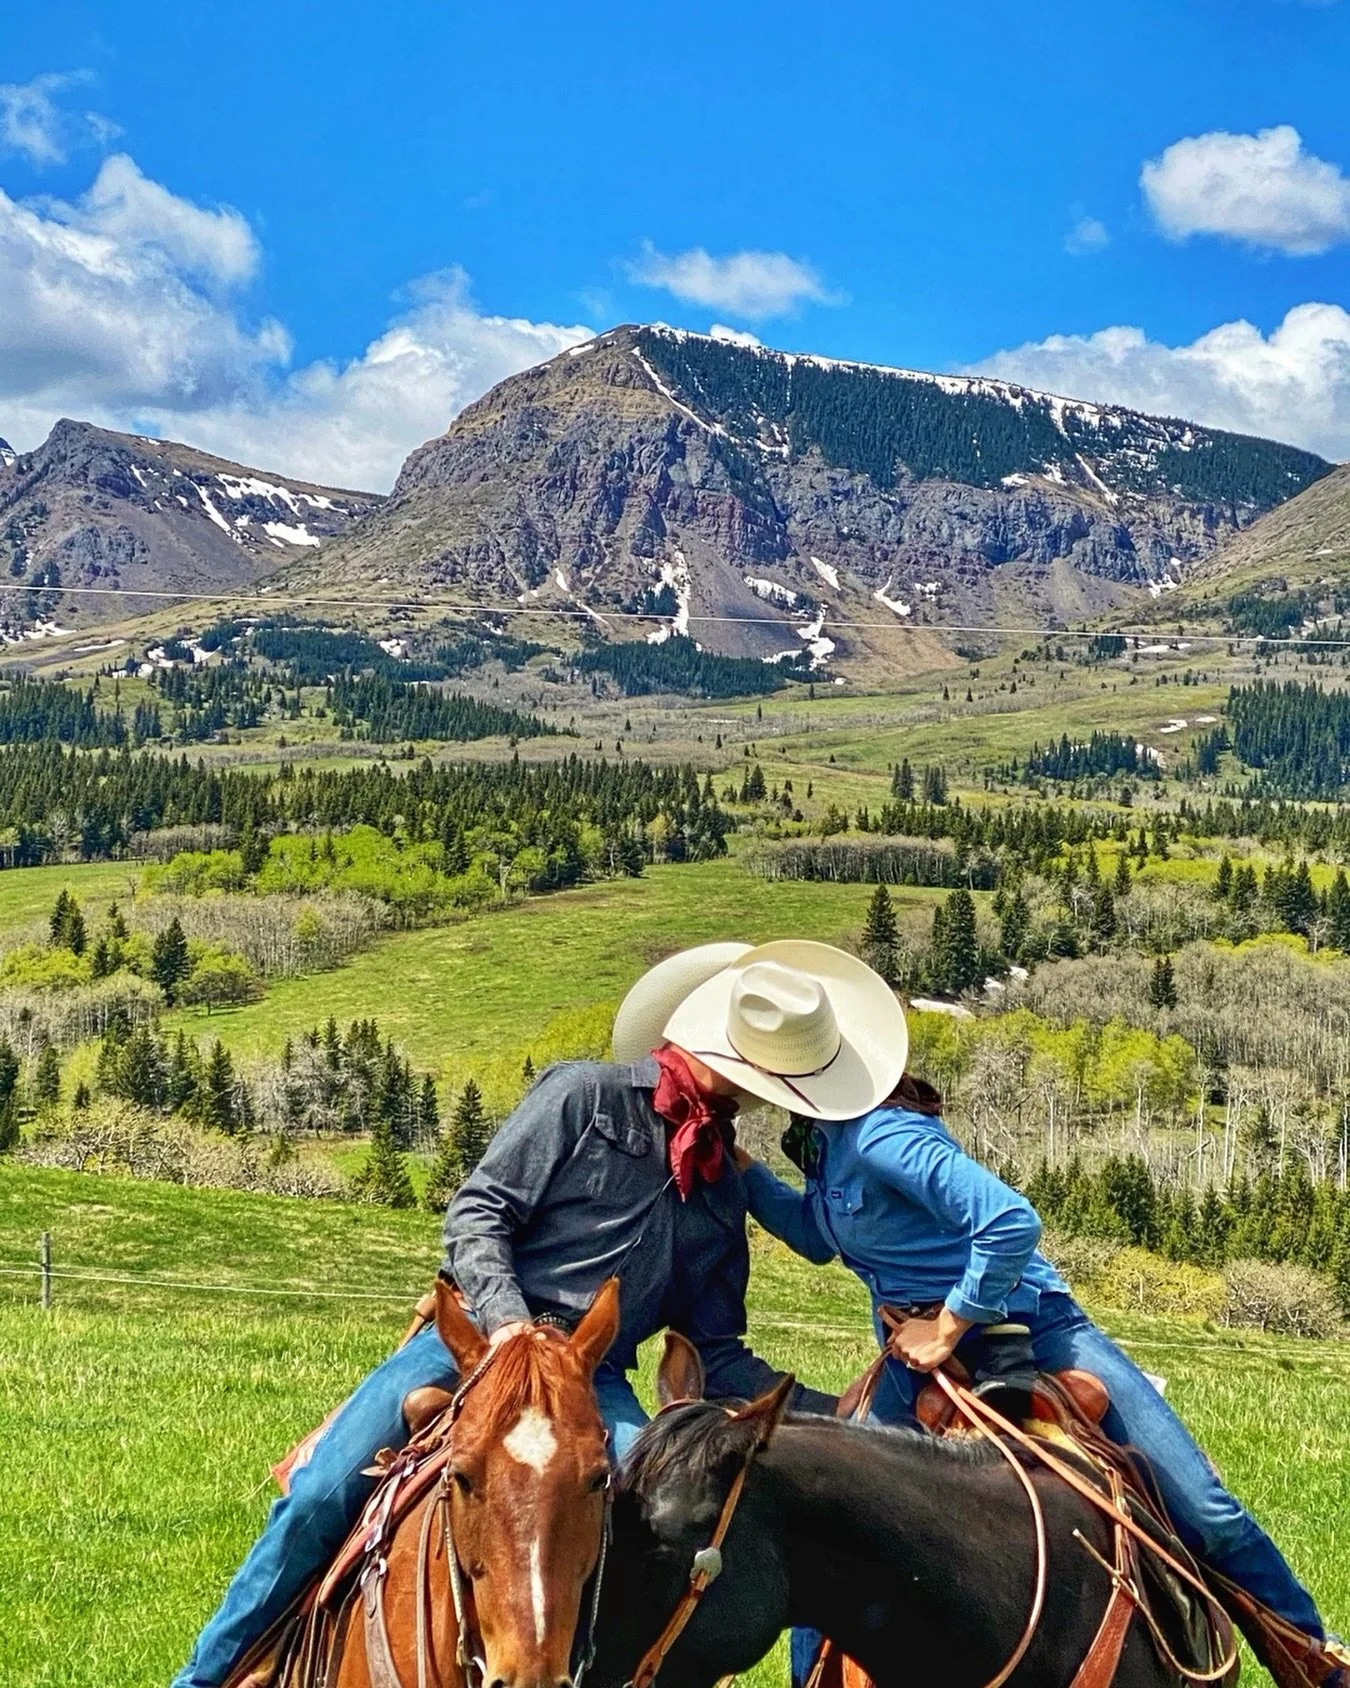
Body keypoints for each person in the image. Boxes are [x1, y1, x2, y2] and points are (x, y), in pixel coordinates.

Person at [172, 939, 901, 1688]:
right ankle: (207, 1676)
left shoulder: (719, 1191)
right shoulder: (582, 1097)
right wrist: (509, 1318)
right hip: (480, 1342)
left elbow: (718, 1355)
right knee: (324, 1493)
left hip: (595, 1377)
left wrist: (846, 1417)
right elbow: (481, 1211)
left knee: (654, 1527)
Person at [735, 1056, 1350, 1688]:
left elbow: (1010, 1221)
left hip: (1033, 1328)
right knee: (826, 1504)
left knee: (1204, 1509)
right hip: (915, 1355)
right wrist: (741, 1167)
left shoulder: (885, 1136)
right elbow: (817, 1235)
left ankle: (1317, 1661)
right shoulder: (822, 1138)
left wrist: (948, 1325)